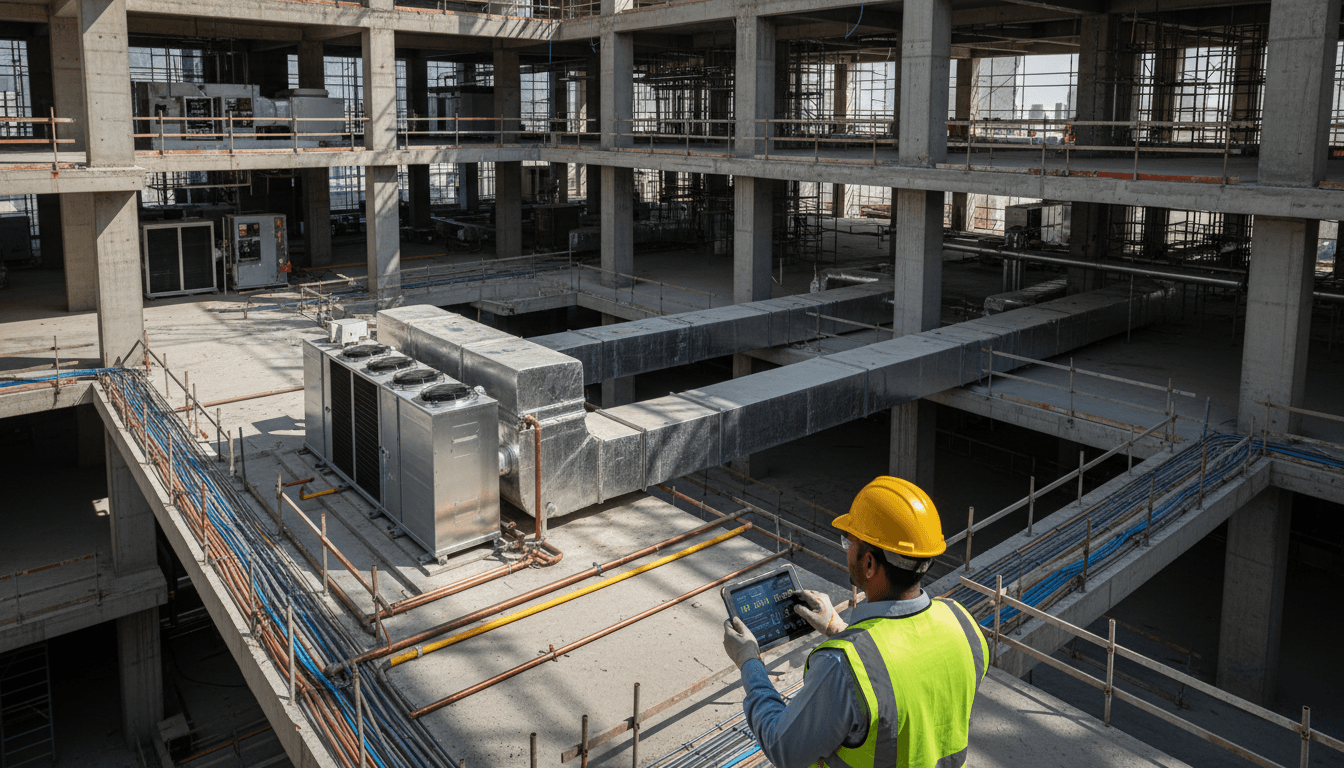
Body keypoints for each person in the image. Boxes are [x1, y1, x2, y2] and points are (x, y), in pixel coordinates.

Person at [722, 476, 989, 768]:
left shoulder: (842, 666)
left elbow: (782, 747)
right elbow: (905, 676)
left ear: (870, 563)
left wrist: (749, 662)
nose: (846, 548)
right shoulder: (962, 623)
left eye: (850, 541)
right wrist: (837, 627)